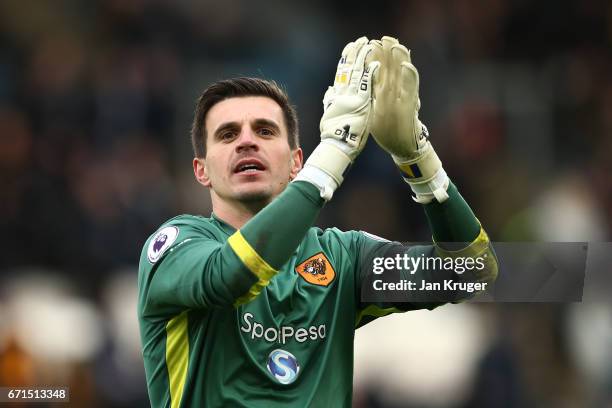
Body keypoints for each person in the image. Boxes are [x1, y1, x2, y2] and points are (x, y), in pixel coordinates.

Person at [137, 36, 498, 407]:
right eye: (227, 135)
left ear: (297, 162)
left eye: (265, 131)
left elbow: (469, 271)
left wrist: (419, 160)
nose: (246, 142)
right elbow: (232, 274)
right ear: (202, 170)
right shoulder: (175, 246)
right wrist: (335, 151)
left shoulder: (341, 257)